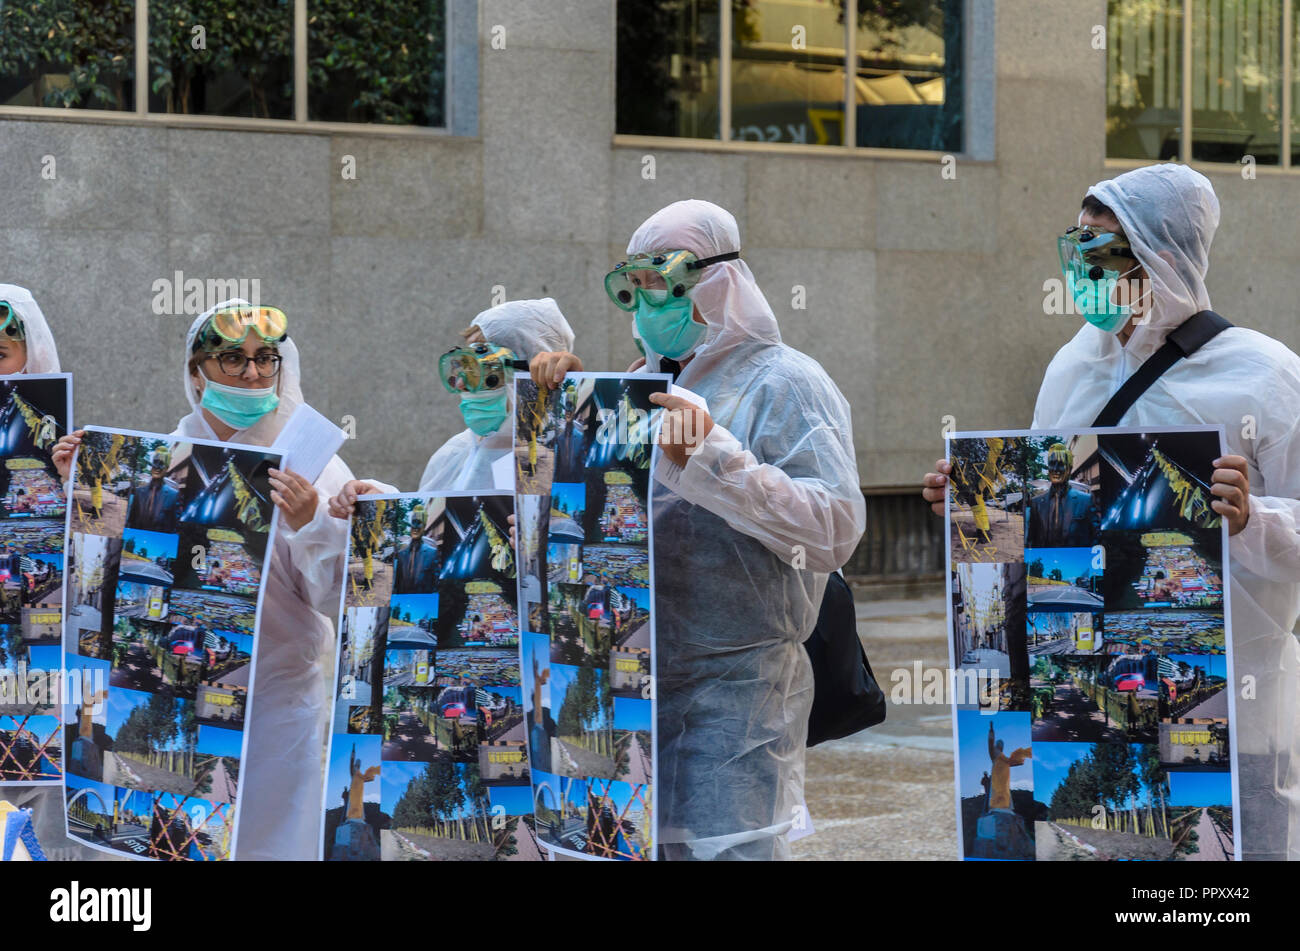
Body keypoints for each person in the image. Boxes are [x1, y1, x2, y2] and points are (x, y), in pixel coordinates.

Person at [923, 164, 1300, 860]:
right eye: (1076, 247)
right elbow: (1042, 519)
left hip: (1231, 718)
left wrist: (1254, 519)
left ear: (1160, 255)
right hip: (1090, 716)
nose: (1082, 269)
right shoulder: (1073, 366)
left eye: (1101, 251)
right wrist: (976, 506)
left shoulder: (1265, 375)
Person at [530, 199, 866, 860]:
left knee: (728, 850)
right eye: (637, 283)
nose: (649, 300)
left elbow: (834, 529)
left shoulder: (786, 383)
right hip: (628, 689)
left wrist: (717, 458)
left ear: (719, 278)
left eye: (666, 279)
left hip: (737, 695)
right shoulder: (632, 388)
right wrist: (562, 406)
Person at [54, 299, 357, 860]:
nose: (251, 374)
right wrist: (79, 493)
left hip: (273, 713)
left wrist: (312, 522)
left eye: (265, 359)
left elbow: (340, 599)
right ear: (196, 372)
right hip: (168, 701)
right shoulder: (154, 463)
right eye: (231, 360)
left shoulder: (310, 465)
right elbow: (101, 581)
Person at [328, 299, 574, 518]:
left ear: (526, 368)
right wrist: (379, 504)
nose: (461, 383)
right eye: (462, 366)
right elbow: (432, 533)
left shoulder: (566, 452)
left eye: (481, 368)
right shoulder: (454, 453)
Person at [1024, 442, 1095, 548]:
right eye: (1052, 464)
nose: (1056, 469)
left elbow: (1094, 538)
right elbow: (1031, 540)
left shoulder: (1086, 500)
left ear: (1070, 469)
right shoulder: (1036, 503)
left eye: (1061, 464)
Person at [127, 447, 181, 533]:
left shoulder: (173, 495)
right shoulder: (139, 492)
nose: (157, 467)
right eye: (155, 463)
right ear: (151, 466)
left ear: (166, 468)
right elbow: (131, 521)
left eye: (161, 464)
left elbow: (174, 528)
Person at [393, 504, 440, 595]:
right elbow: (397, 584)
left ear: (424, 527)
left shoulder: (432, 553)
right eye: (413, 523)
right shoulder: (401, 554)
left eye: (419, 523)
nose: (415, 527)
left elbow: (435, 586)